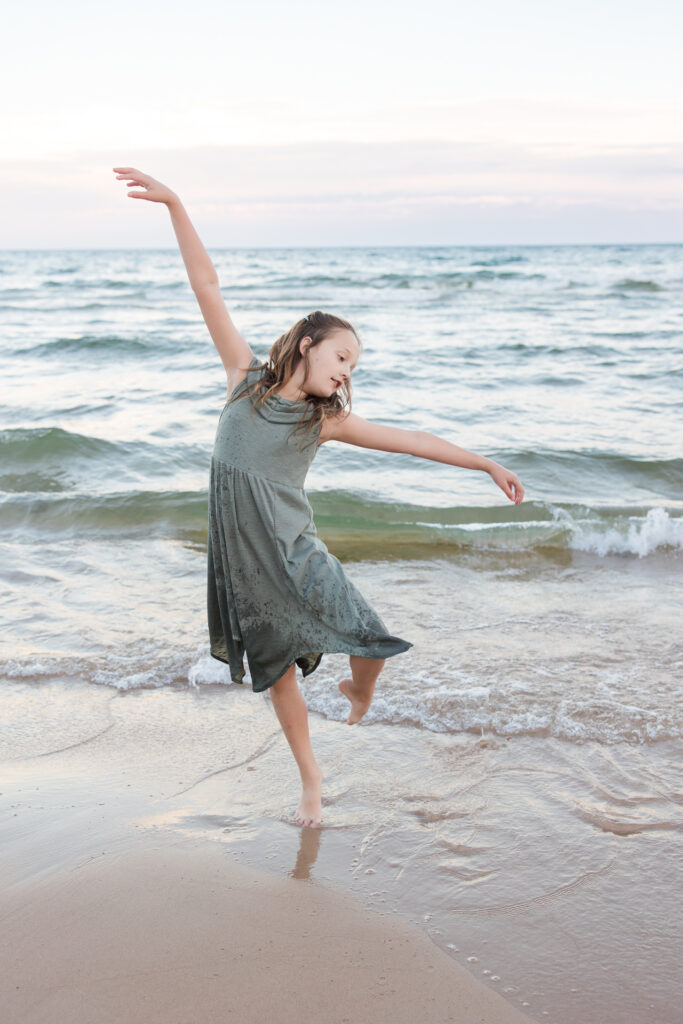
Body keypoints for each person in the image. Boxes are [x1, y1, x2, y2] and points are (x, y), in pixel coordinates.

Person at [113, 167, 525, 828]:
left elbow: (411, 440)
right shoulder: (243, 380)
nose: (345, 372)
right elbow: (206, 284)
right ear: (307, 345)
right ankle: (310, 780)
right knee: (277, 677)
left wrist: (482, 463)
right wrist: (176, 205)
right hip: (246, 563)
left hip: (296, 553)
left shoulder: (324, 420)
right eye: (341, 357)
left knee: (370, 639)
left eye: (353, 367)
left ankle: (357, 692)